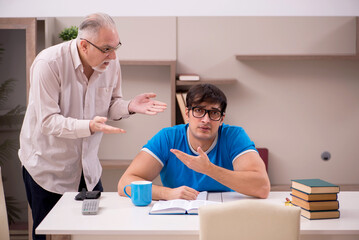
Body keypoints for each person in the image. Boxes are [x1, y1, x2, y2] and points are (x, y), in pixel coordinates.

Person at [18, 13, 166, 240]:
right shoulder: (49, 64)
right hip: (48, 169)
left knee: (90, 232)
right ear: (84, 45)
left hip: (87, 169)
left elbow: (112, 105)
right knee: (49, 235)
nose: (113, 56)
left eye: (116, 47)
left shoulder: (110, 64)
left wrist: (129, 106)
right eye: (107, 48)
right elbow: (47, 121)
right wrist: (89, 125)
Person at [118, 83, 270, 201]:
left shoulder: (234, 136)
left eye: (214, 113)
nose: (206, 119)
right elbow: (125, 183)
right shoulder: (167, 138)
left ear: (222, 119)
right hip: (177, 213)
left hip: (224, 215)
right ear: (187, 113)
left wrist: (209, 169)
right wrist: (167, 193)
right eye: (198, 110)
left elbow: (262, 187)